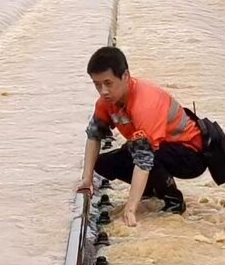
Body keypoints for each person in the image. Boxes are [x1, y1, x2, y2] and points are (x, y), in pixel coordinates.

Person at [76, 46, 207, 227]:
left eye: (108, 83)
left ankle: (174, 200)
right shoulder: (106, 102)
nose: (103, 91)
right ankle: (149, 189)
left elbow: (144, 159)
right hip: (159, 148)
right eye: (97, 84)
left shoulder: (144, 103)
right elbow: (94, 135)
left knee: (146, 154)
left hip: (191, 154)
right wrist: (87, 180)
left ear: (125, 76)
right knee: (105, 163)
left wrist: (130, 209)